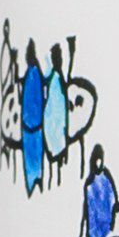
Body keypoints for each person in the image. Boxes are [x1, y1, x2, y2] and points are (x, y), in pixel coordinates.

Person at [19, 39, 46, 194]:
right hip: (30, 128)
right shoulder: (31, 73)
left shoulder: (34, 74)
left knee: (34, 158)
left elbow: (36, 100)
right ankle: (34, 182)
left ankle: (37, 181)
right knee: (31, 159)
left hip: (34, 128)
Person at [82, 145, 119, 237]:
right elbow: (87, 209)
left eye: (100, 160)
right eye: (96, 160)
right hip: (94, 228)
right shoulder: (89, 183)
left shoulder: (106, 176)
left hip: (107, 224)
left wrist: (114, 219)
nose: (98, 163)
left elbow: (113, 198)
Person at [43, 42, 70, 178]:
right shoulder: (54, 78)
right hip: (54, 127)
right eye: (58, 57)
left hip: (58, 127)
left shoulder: (56, 77)